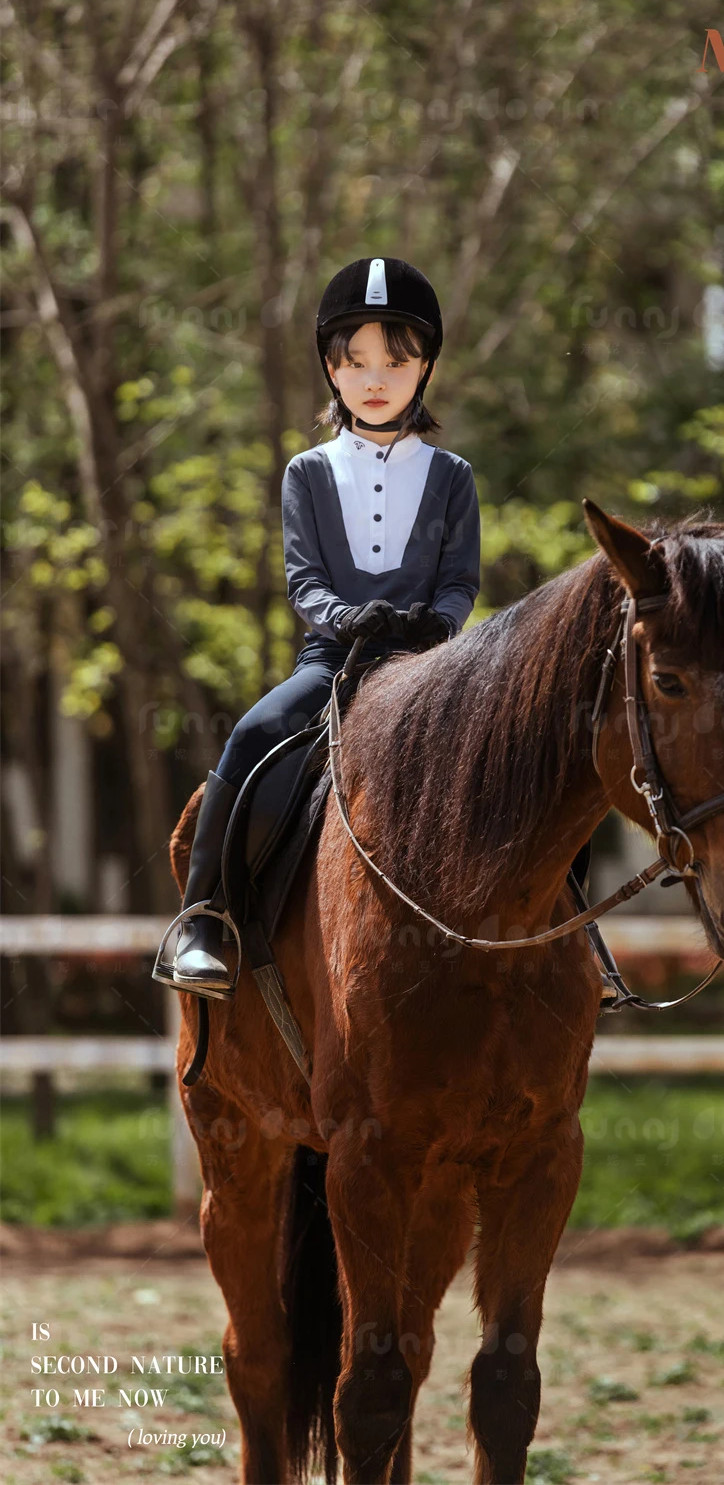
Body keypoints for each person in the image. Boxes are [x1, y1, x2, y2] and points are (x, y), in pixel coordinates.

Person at [158, 257, 479, 1000]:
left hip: (429, 663)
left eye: (395, 361)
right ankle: (205, 919)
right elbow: (305, 582)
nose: (375, 377)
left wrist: (440, 623)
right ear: (331, 370)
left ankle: (581, 943)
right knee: (247, 735)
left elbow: (460, 579)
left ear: (424, 366)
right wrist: (345, 617)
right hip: (333, 658)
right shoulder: (306, 471)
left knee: (525, 743)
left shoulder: (453, 474)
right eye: (356, 361)